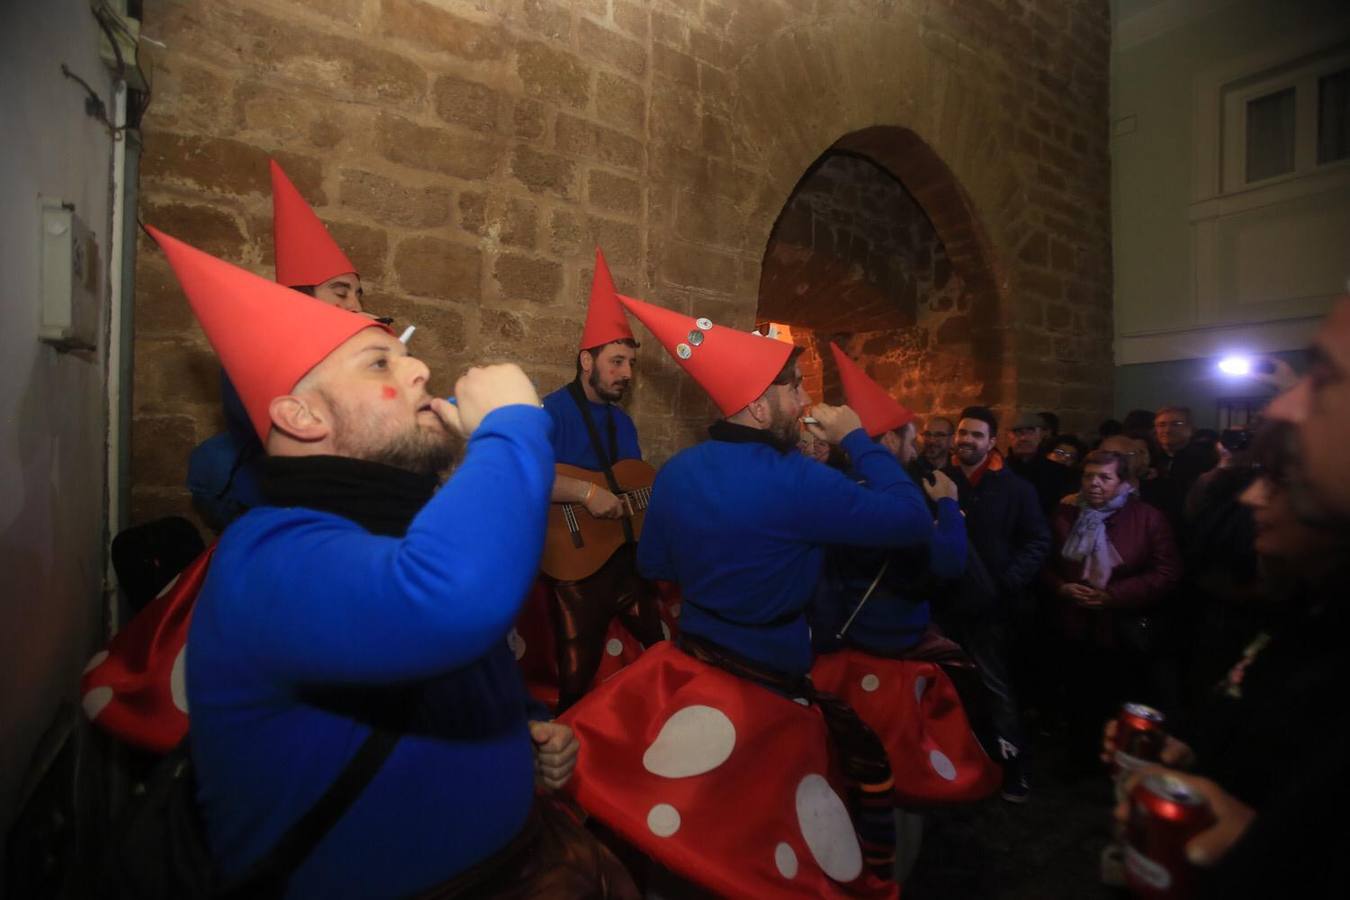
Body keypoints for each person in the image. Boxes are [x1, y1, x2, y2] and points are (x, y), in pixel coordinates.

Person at [149, 227, 636, 899]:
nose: (418, 368)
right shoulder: (265, 557)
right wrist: (514, 425)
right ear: (299, 415)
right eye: (380, 364)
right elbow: (449, 600)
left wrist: (521, 728)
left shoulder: (414, 525)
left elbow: (448, 667)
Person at [561, 298, 932, 897]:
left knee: (691, 828)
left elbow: (655, 564)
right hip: (769, 684)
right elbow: (913, 521)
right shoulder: (803, 481)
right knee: (770, 828)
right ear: (760, 405)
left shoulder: (676, 473)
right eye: (793, 390)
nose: (803, 403)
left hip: (694, 666)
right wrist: (859, 441)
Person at [1107, 412, 1350, 898]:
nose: (1252, 496)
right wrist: (1191, 752)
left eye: (1279, 481)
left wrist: (1267, 846)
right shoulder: (1300, 621)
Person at [810, 344, 1000, 814]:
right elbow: (948, 563)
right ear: (889, 443)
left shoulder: (832, 487)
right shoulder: (899, 504)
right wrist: (949, 506)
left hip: (836, 643)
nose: (916, 450)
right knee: (896, 774)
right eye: (910, 441)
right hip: (890, 650)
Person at [187, 160, 373, 531]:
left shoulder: (355, 347)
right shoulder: (259, 351)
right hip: (280, 507)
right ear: (303, 296)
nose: (356, 305)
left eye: (357, 293)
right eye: (341, 292)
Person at [535, 248, 662, 712]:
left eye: (629, 364)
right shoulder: (552, 412)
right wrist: (587, 493)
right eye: (616, 362)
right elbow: (525, 476)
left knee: (662, 645)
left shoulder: (622, 423)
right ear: (586, 360)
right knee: (575, 677)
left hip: (621, 559)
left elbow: (634, 490)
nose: (626, 374)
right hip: (572, 566)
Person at [1043, 449, 1181, 767]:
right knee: (1078, 696)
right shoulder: (1066, 515)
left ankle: (1117, 766)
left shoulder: (1146, 518)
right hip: (1074, 622)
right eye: (1088, 476)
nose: (1094, 484)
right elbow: (1046, 562)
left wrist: (1115, 595)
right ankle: (1078, 761)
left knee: (1118, 697)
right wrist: (1061, 587)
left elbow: (1166, 572)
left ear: (1123, 483)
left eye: (1104, 477)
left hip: (1121, 628)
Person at [941, 406, 1049, 801]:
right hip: (947, 603)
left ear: (990, 442)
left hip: (991, 608)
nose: (966, 440)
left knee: (996, 688)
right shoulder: (939, 481)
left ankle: (1012, 766)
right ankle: (957, 759)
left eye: (976, 435)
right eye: (962, 433)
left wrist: (1008, 582)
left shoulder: (1015, 489)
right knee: (948, 685)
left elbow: (1038, 540)